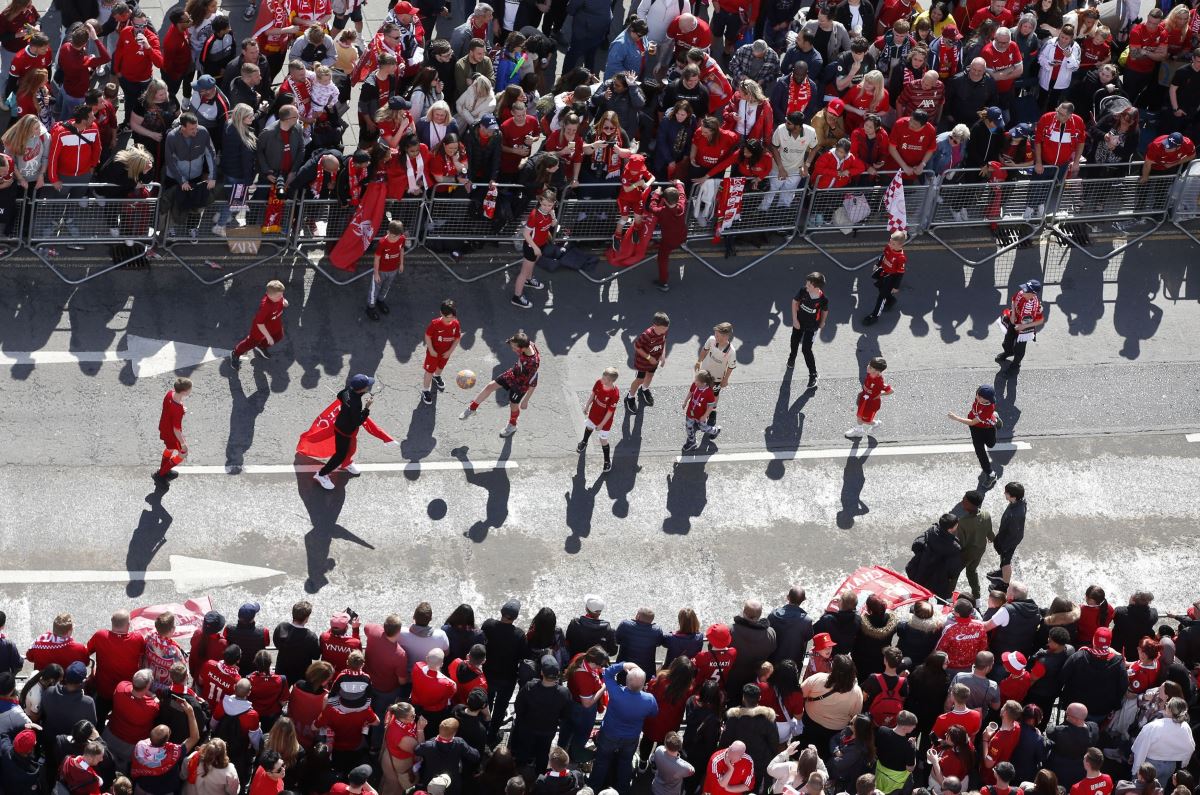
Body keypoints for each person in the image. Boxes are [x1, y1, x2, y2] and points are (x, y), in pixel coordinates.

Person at [588, 662, 658, 795]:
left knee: (602, 761)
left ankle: (593, 788)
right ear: (643, 685)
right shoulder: (649, 699)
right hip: (631, 737)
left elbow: (607, 673)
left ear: (626, 680)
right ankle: (622, 790)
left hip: (609, 734)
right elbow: (654, 713)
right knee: (625, 762)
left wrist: (623, 665)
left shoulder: (617, 692)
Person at [460, 331, 541, 437]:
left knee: (513, 405)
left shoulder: (532, 364)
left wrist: (526, 401)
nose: (512, 349)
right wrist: (512, 341)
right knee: (490, 386)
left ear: (522, 348)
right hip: (514, 373)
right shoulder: (527, 343)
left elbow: (533, 382)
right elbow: (516, 339)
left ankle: (512, 425)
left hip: (521, 384)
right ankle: (472, 408)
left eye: (514, 348)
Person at [313, 373, 379, 490]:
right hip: (345, 431)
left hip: (341, 425)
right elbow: (357, 421)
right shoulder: (356, 403)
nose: (369, 387)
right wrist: (367, 408)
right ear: (361, 389)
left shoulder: (348, 390)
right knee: (340, 455)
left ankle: (346, 463)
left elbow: (339, 396)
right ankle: (321, 475)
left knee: (349, 448)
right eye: (367, 386)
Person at [512, 656, 572, 772]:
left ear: (541, 672)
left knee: (524, 750)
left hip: (528, 728)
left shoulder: (529, 687)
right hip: (548, 730)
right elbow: (566, 714)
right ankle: (539, 775)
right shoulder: (564, 693)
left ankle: (519, 772)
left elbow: (518, 707)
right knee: (543, 753)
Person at [948, 386, 1001, 488]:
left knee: (991, 444)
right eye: (977, 394)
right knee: (980, 451)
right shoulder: (979, 398)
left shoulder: (989, 407)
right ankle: (990, 474)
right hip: (976, 429)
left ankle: (995, 418)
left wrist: (956, 418)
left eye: (981, 397)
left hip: (986, 427)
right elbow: (973, 423)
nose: (977, 397)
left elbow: (972, 422)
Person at [510, 188, 553, 309]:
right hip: (531, 246)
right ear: (540, 201)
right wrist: (535, 248)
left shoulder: (550, 212)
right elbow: (525, 234)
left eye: (549, 205)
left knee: (532, 264)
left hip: (540, 245)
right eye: (544, 204)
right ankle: (517, 297)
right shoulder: (535, 215)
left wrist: (553, 217)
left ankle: (529, 280)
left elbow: (552, 225)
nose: (546, 207)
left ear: (553, 204)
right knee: (523, 272)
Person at [229, 281, 287, 367]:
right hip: (260, 328)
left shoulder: (277, 296)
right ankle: (235, 353)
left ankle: (261, 346)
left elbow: (282, 298)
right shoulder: (266, 306)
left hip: (274, 323)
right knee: (251, 343)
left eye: (282, 295)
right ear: (269, 295)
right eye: (279, 296)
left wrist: (284, 301)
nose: (281, 297)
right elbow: (259, 323)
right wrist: (268, 336)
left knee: (278, 336)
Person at [906, 515, 963, 601]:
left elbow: (916, 545)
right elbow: (954, 571)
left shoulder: (932, 531)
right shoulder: (954, 547)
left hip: (921, 571)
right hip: (937, 580)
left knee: (919, 595)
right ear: (950, 529)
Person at [787, 272, 828, 388]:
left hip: (812, 326)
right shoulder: (803, 291)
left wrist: (822, 322)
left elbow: (825, 311)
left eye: (809, 285)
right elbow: (794, 302)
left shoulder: (823, 300)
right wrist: (795, 319)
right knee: (794, 340)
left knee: (806, 349)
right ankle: (792, 357)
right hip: (799, 322)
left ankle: (813, 374)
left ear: (816, 287)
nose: (806, 286)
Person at [625, 312, 671, 414]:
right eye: (663, 328)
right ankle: (630, 397)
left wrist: (663, 356)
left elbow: (664, 341)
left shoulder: (663, 332)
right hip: (643, 362)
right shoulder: (647, 335)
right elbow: (637, 346)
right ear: (655, 326)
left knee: (650, 375)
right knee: (639, 380)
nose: (665, 330)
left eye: (667, 328)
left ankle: (644, 390)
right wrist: (649, 357)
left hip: (654, 361)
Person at [578, 367, 620, 473]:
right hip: (594, 414)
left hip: (605, 421)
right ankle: (584, 441)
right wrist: (587, 405)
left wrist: (601, 424)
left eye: (604, 378)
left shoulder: (615, 393)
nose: (601, 379)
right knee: (589, 427)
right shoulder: (599, 382)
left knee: (603, 440)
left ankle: (607, 461)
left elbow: (610, 411)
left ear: (610, 381)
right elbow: (593, 394)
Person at [995, 280, 1044, 372]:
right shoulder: (1021, 293)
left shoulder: (1036, 306)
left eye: (1026, 290)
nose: (1023, 291)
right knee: (1007, 342)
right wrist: (1013, 313)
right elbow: (1013, 300)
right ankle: (1008, 352)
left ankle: (1016, 364)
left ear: (1033, 294)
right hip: (1014, 321)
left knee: (1019, 349)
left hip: (1024, 330)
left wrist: (1023, 327)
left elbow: (1040, 321)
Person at [421, 300, 462, 406]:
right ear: (441, 314)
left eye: (453, 316)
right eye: (448, 317)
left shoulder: (455, 323)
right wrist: (431, 350)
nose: (451, 319)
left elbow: (457, 338)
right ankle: (425, 390)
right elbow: (427, 336)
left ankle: (437, 376)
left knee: (440, 367)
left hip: (445, 353)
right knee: (429, 371)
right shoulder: (435, 324)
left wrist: (449, 351)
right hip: (433, 353)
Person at [862, 230, 907, 326]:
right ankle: (891, 300)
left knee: (881, 297)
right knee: (880, 288)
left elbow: (900, 274)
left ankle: (875, 316)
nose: (890, 245)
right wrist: (878, 264)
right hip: (883, 272)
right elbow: (883, 256)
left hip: (890, 278)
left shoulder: (901, 258)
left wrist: (896, 287)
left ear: (900, 245)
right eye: (890, 242)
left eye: (893, 244)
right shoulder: (888, 247)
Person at [845, 356, 893, 439]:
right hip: (864, 399)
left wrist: (880, 394)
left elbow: (891, 390)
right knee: (859, 415)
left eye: (870, 367)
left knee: (865, 420)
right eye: (869, 365)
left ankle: (876, 424)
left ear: (877, 371)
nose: (867, 367)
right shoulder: (870, 374)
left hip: (871, 404)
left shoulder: (879, 382)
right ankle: (859, 430)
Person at [155, 377, 192, 484]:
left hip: (164, 428)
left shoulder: (169, 393)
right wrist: (183, 443)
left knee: (169, 448)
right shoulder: (178, 409)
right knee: (183, 453)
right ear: (184, 392)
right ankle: (161, 473)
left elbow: (169, 409)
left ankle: (164, 469)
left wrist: (181, 409)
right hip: (173, 434)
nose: (190, 391)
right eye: (190, 389)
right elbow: (176, 429)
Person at [367, 220, 406, 321]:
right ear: (388, 232)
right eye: (393, 236)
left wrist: (401, 263)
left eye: (397, 236)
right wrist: (376, 274)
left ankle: (380, 300)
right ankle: (370, 307)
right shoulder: (382, 242)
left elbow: (401, 250)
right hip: (381, 271)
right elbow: (377, 258)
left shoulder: (402, 239)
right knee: (374, 289)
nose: (395, 238)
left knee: (386, 287)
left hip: (393, 270)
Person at [988, 482, 1026, 584]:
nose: (1004, 493)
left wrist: (1005, 546)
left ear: (1013, 496)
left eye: (1006, 492)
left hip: (1009, 542)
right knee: (1003, 559)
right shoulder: (1018, 502)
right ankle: (1001, 573)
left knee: (1006, 562)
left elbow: (1015, 534)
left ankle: (1005, 584)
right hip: (1005, 537)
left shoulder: (1016, 515)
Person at [682, 370, 721, 452]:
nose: (695, 382)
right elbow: (690, 392)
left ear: (704, 383)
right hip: (691, 411)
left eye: (697, 381)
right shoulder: (695, 385)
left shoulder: (709, 392)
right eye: (695, 380)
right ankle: (692, 442)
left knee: (703, 427)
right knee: (688, 426)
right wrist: (685, 401)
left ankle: (715, 431)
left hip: (701, 415)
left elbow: (711, 406)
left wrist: (705, 416)